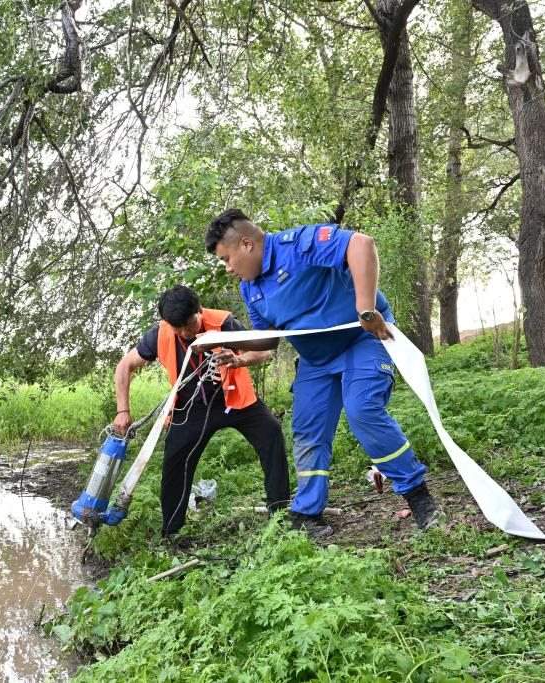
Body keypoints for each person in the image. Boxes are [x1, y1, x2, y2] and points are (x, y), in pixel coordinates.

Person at [203, 209, 441, 536]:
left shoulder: (298, 245)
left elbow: (361, 245)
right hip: (316, 360)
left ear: (246, 244)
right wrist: (232, 349)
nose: (228, 268)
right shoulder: (251, 288)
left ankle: (418, 496)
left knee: (363, 410)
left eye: (227, 259)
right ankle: (308, 513)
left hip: (363, 339)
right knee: (307, 429)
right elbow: (268, 341)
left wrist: (366, 309)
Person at [112, 285, 291, 539]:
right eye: (179, 328)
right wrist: (123, 410)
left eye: (190, 324)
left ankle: (279, 514)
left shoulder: (224, 323)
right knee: (174, 462)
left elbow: (263, 351)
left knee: (272, 433)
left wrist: (239, 359)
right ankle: (172, 532)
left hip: (234, 399)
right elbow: (125, 365)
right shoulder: (159, 334)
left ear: (199, 310)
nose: (186, 332)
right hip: (190, 407)